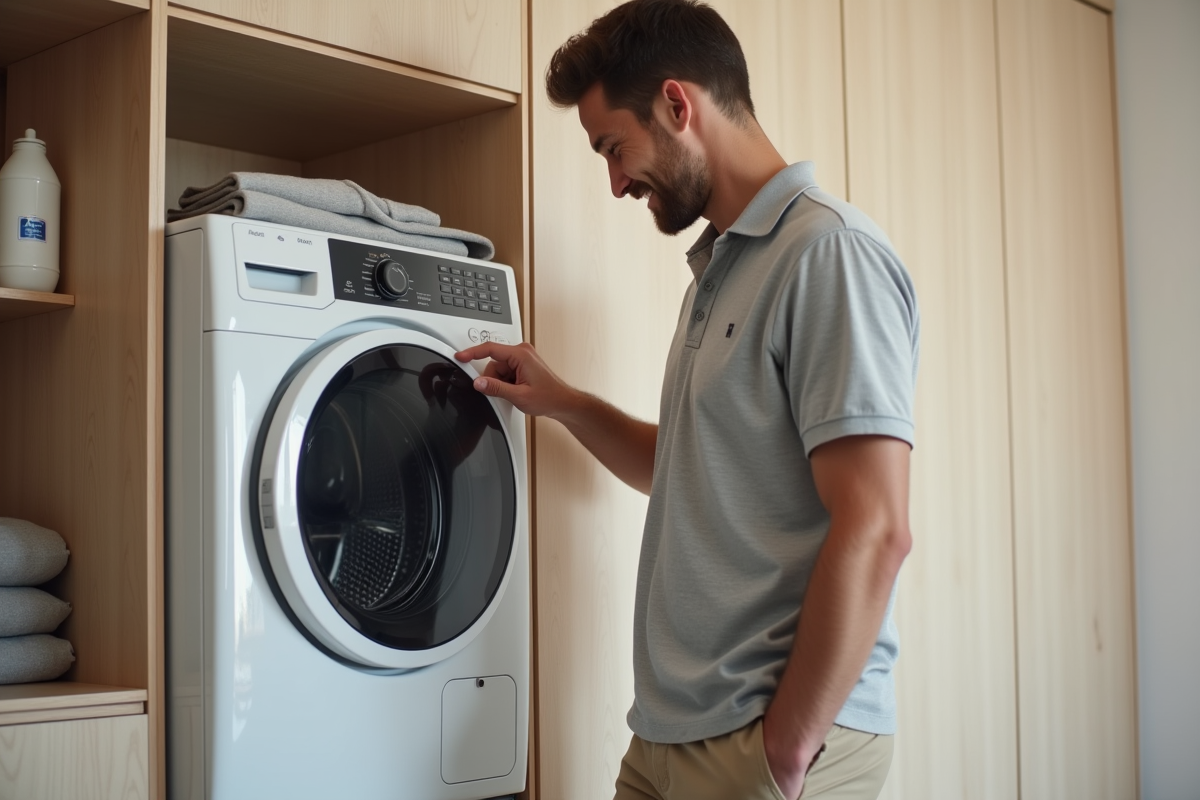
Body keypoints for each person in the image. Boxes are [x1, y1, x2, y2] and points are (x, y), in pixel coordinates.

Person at [455, 1, 920, 798]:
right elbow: (686, 467)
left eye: (613, 148)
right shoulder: (724, 265)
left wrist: (785, 750)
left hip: (767, 741)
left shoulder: (828, 255)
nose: (613, 183)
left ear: (677, 105)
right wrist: (563, 401)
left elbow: (876, 527)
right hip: (668, 735)